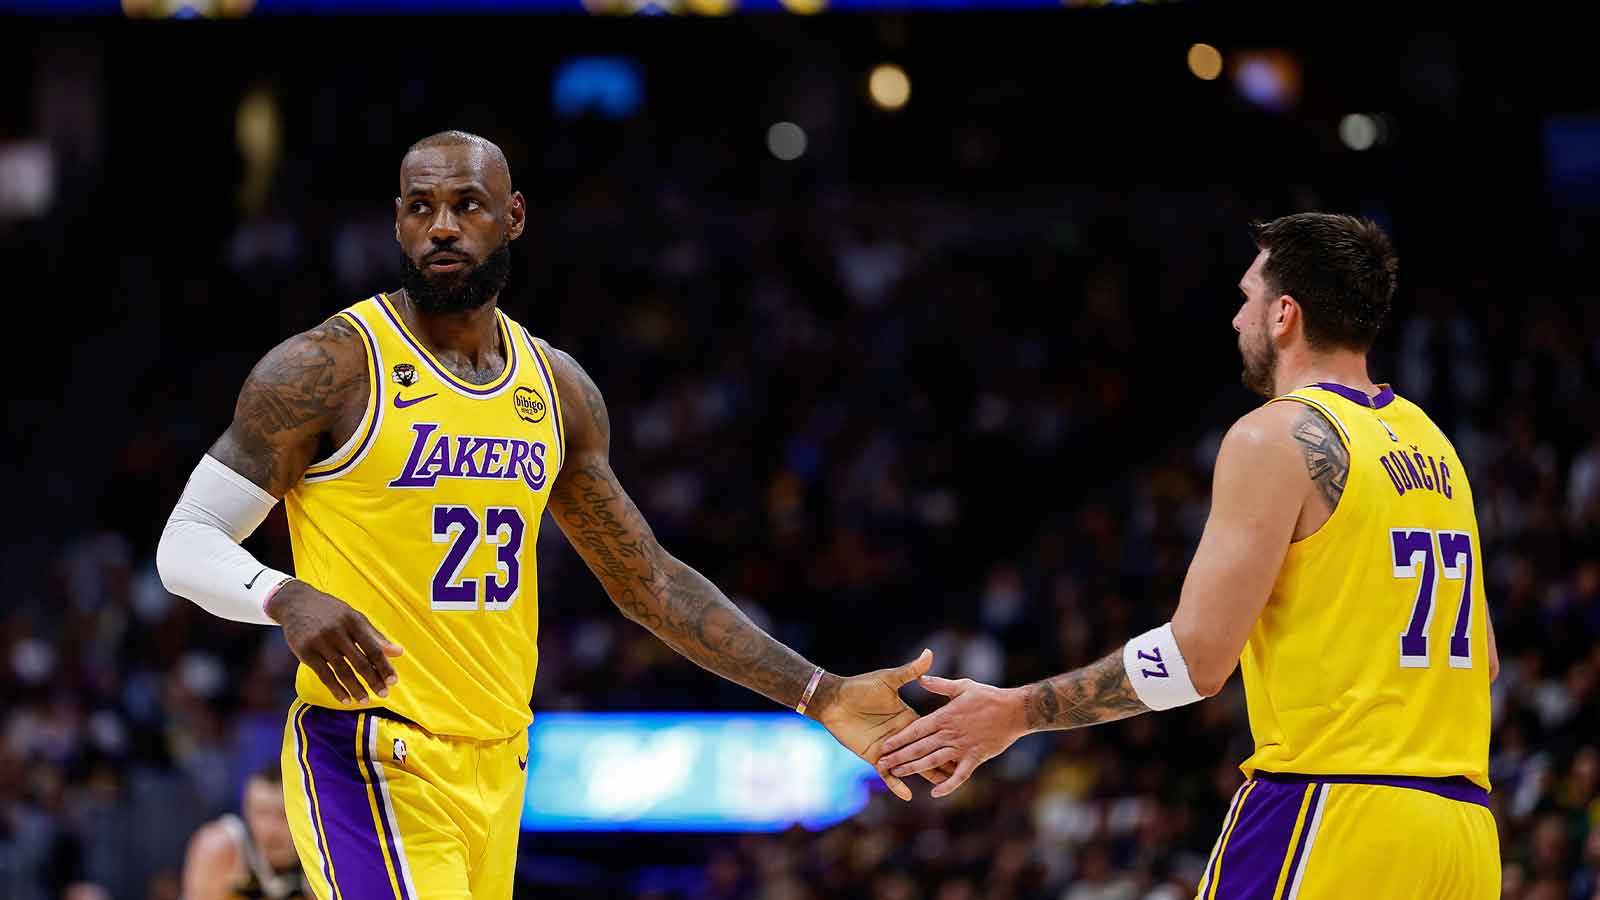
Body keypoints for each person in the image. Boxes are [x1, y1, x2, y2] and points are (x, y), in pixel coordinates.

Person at [156, 130, 947, 900]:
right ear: (397, 221)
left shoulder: (556, 389)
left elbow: (651, 583)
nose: (441, 225)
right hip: (367, 754)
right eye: (419, 207)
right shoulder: (329, 367)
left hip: (499, 763)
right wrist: (283, 595)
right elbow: (186, 540)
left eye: (467, 204)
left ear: (514, 217)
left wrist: (820, 693)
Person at [877, 214, 1500, 899]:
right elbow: (1483, 659)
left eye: (1246, 297)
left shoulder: (1278, 434)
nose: (1237, 319)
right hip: (1464, 837)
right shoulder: (1433, 444)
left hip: (1336, 813)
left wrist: (1017, 712)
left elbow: (1197, 661)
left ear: (1284, 314)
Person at [181, 764, 309, 900]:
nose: (271, 830)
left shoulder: (320, 855)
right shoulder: (220, 848)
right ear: (247, 812)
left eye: (283, 815)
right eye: (262, 813)